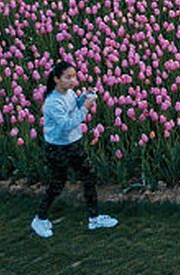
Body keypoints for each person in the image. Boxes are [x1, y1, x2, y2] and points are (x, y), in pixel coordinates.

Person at [31, 60, 117, 238]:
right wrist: (85, 108)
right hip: (58, 148)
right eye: (68, 77)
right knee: (57, 183)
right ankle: (39, 219)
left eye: (74, 76)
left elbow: (73, 108)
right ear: (56, 79)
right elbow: (66, 125)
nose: (72, 80)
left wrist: (83, 98)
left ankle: (94, 219)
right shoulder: (52, 103)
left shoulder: (69, 93)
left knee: (89, 176)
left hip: (73, 144)